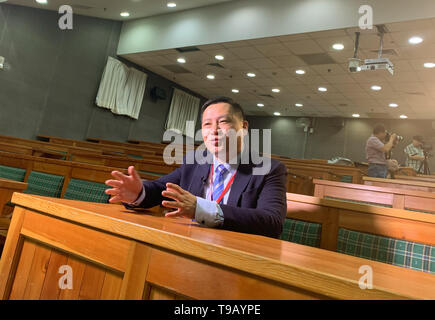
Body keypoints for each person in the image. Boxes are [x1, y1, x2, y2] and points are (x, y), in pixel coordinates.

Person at [104, 97, 287, 238]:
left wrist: (201, 208)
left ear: (244, 127)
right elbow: (161, 189)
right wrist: (138, 193)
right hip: (189, 244)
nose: (214, 130)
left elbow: (272, 222)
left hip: (237, 255)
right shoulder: (195, 162)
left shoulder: (269, 169)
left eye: (223, 122)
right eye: (207, 124)